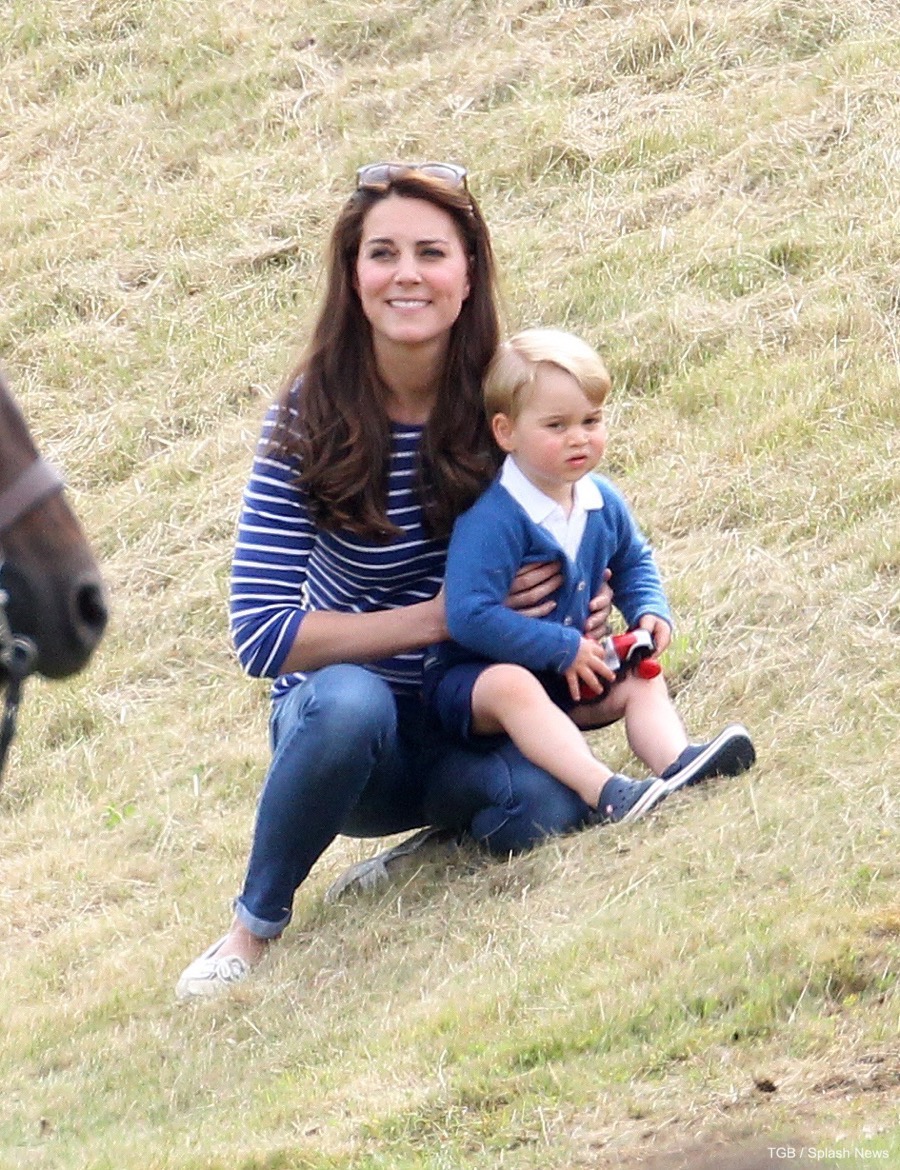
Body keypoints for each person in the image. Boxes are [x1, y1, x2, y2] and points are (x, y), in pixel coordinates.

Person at [176, 163, 615, 1000]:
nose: (406, 274)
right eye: (383, 253)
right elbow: (260, 634)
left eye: (430, 252)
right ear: (353, 275)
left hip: (474, 720)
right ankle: (251, 928)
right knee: (349, 701)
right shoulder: (307, 414)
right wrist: (447, 617)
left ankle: (435, 839)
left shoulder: (509, 401)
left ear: (468, 273)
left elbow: (581, 527)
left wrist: (587, 596)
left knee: (549, 814)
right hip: (348, 747)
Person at [423, 328, 755, 821]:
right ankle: (606, 790)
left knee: (640, 673)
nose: (579, 437)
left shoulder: (602, 499)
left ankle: (677, 762)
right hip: (473, 685)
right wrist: (558, 647)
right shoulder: (492, 519)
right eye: (556, 425)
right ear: (505, 431)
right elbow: (467, 616)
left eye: (591, 420)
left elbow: (632, 560)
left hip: (566, 670)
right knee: (513, 684)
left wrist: (647, 610)